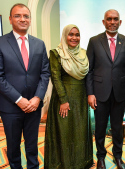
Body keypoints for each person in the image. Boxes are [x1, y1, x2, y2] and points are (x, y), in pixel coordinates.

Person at [0, 3, 50, 169]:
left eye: (26, 16)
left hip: (34, 106)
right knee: (13, 147)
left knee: (32, 146)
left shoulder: (39, 44)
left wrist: (37, 98)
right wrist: (19, 99)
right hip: (10, 107)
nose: (22, 19)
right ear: (10, 19)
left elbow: (45, 73)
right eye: (18, 16)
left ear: (30, 20)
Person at [86, 9, 125, 169]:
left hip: (120, 94)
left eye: (115, 19)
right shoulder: (94, 41)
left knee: (117, 128)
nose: (112, 22)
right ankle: (100, 157)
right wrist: (90, 93)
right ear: (104, 22)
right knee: (99, 128)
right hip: (99, 93)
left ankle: (118, 157)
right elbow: (89, 70)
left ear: (120, 22)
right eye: (109, 19)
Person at [44, 24, 93, 169]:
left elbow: (88, 77)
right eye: (70, 34)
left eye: (77, 35)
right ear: (65, 36)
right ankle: (63, 164)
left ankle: (80, 162)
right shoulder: (56, 53)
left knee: (79, 131)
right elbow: (55, 78)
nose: (74, 38)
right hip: (63, 99)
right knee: (64, 132)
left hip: (81, 99)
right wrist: (63, 100)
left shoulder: (84, 54)